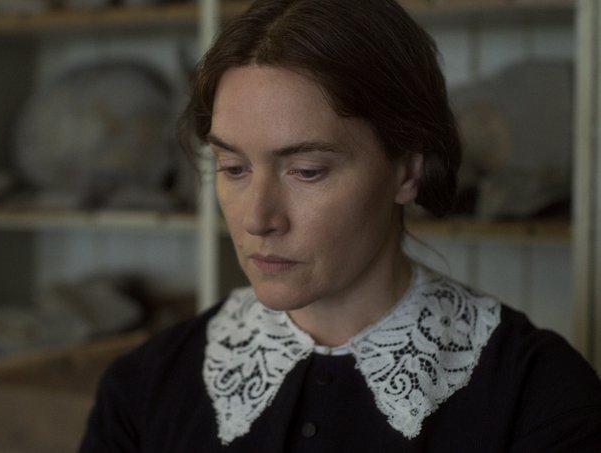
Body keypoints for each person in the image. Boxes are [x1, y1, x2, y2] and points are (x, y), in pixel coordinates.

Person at [79, 0, 601, 451]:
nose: (258, 219)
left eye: (307, 171)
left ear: (408, 171)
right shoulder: (143, 388)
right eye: (234, 168)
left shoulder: (541, 395)